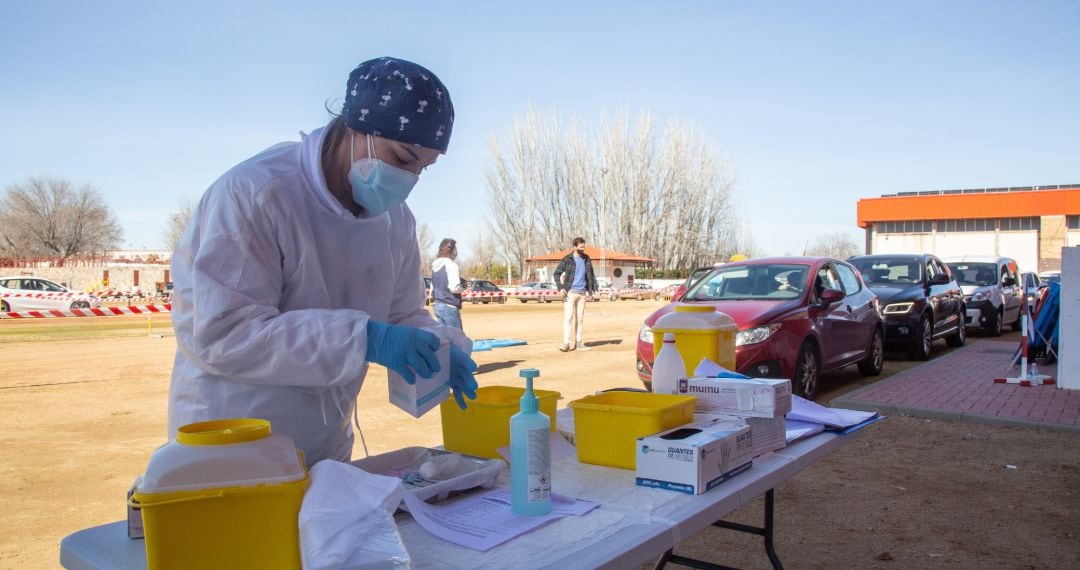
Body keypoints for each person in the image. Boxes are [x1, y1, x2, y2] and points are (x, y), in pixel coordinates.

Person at [167, 57, 478, 468]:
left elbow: (402, 314)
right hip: (235, 436)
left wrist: (441, 347)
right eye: (403, 158)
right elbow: (223, 332)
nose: (410, 179)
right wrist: (366, 339)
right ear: (355, 128)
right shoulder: (257, 194)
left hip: (326, 438)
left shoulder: (395, 221)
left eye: (424, 168)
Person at [553, 237, 597, 352]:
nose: (583, 249)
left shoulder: (587, 259)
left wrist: (591, 290)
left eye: (584, 247)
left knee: (580, 319)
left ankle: (578, 343)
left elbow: (591, 275)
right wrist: (560, 288)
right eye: (581, 247)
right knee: (568, 318)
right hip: (570, 293)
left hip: (582, 293)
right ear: (575, 246)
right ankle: (566, 344)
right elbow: (556, 274)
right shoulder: (567, 259)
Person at [431, 238, 464, 329]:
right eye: (456, 249)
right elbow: (454, 288)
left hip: (438, 306)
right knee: (457, 339)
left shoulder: (434, 266)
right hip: (449, 306)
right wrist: (463, 287)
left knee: (444, 339)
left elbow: (432, 290)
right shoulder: (451, 265)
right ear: (452, 250)